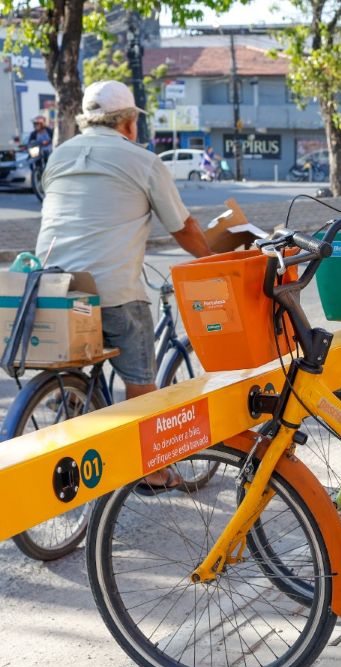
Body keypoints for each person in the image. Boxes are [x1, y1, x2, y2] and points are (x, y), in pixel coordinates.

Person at [35, 80, 212, 489]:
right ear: (129, 123)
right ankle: (151, 471)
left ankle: (74, 400)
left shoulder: (58, 155)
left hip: (47, 286)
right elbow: (182, 227)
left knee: (79, 345)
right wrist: (214, 260)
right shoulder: (143, 162)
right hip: (112, 291)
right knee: (140, 376)